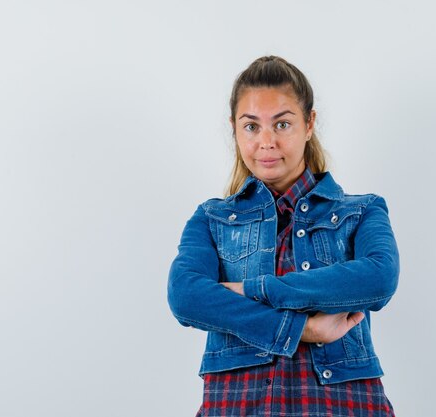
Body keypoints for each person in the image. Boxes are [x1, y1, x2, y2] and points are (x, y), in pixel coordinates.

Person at [168, 56, 399, 417]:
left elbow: (379, 279)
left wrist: (252, 289)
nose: (267, 141)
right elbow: (185, 296)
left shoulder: (363, 210)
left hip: (343, 405)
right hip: (238, 403)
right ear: (234, 129)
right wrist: (301, 329)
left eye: (282, 124)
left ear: (309, 124)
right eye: (251, 127)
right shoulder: (211, 218)